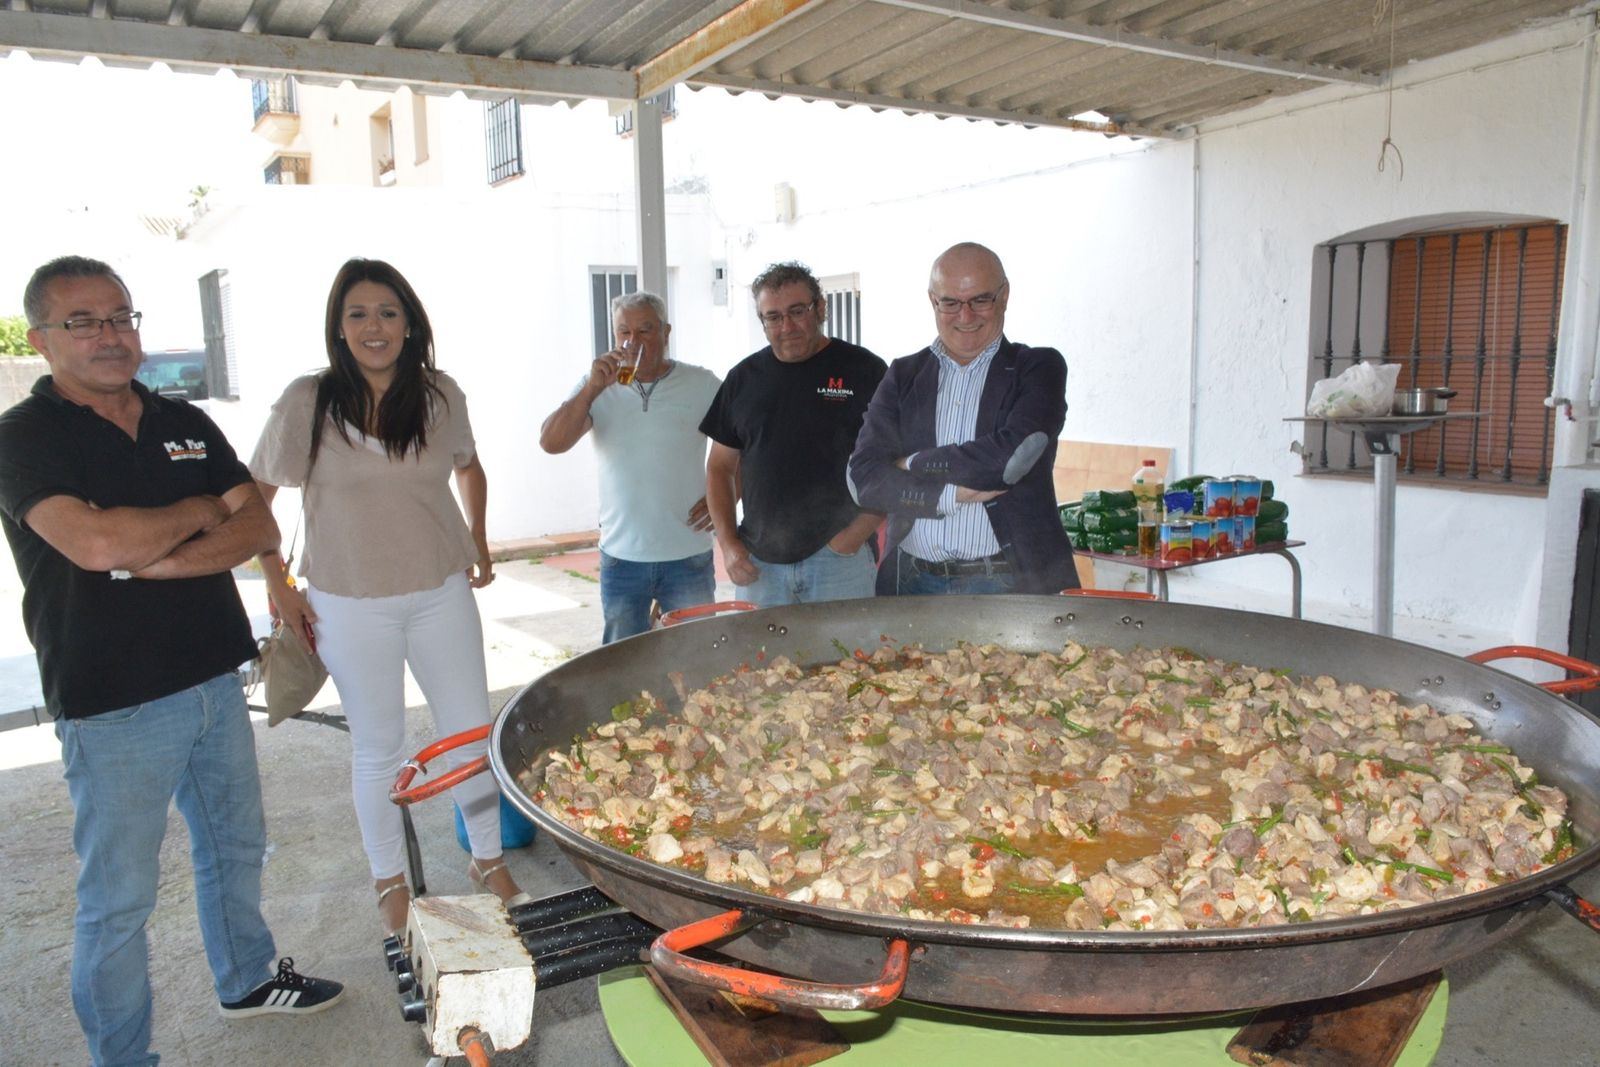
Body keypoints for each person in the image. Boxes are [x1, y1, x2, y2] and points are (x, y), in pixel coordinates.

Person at [0, 256, 344, 1067]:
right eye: (83, 321)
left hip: (214, 678)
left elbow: (258, 525)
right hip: (112, 702)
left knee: (235, 847)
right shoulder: (23, 436)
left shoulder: (181, 418)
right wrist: (197, 509)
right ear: (41, 338)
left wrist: (155, 552)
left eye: (121, 316)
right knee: (119, 900)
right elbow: (93, 543)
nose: (110, 335)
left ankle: (246, 979)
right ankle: (124, 1056)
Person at [249, 258, 527, 940]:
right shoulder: (308, 400)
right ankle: (389, 881)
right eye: (358, 314)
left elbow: (469, 465)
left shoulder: (439, 394)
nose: (374, 326)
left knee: (469, 733)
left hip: (440, 591)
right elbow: (255, 495)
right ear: (339, 328)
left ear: (409, 324)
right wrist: (278, 583)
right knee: (379, 746)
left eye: (387, 312)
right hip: (348, 601)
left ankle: (488, 860)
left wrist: (478, 537)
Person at [847, 242, 1078, 595]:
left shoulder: (1037, 368)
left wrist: (911, 463)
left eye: (980, 300)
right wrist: (949, 495)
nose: (965, 317)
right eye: (951, 303)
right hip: (910, 583)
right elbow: (864, 479)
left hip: (1008, 584)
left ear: (1004, 296)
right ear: (933, 301)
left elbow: (1007, 461)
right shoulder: (903, 376)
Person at [538, 292, 722, 642]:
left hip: (687, 554)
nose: (633, 341)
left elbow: (743, 444)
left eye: (645, 330)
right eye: (624, 332)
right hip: (621, 557)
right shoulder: (597, 386)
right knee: (622, 660)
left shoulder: (702, 384)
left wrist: (728, 495)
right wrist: (591, 389)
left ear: (666, 332)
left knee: (697, 653)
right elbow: (551, 443)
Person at [700, 263, 886, 606]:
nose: (786, 326)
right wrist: (728, 545)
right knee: (759, 645)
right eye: (773, 317)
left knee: (849, 644)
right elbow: (720, 468)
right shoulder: (742, 379)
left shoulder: (865, 370)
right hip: (760, 566)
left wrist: (855, 535)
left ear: (821, 308)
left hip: (839, 562)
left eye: (797, 311)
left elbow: (894, 460)